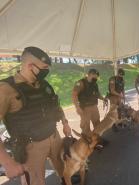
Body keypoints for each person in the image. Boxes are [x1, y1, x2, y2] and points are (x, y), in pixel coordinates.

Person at [0, 46, 72, 185]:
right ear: (30, 66)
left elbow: (56, 105)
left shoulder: (44, 84)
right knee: (36, 181)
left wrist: (65, 123)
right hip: (30, 147)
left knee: (64, 168)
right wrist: (7, 162)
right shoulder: (6, 89)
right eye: (44, 67)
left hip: (54, 136)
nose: (47, 71)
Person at [72, 68, 107, 137]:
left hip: (94, 107)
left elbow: (97, 94)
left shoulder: (95, 84)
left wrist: (103, 99)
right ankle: (87, 144)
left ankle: (97, 140)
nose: (96, 78)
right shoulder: (81, 83)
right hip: (85, 108)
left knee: (97, 125)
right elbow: (74, 95)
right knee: (86, 127)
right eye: (95, 76)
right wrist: (77, 107)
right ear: (91, 74)